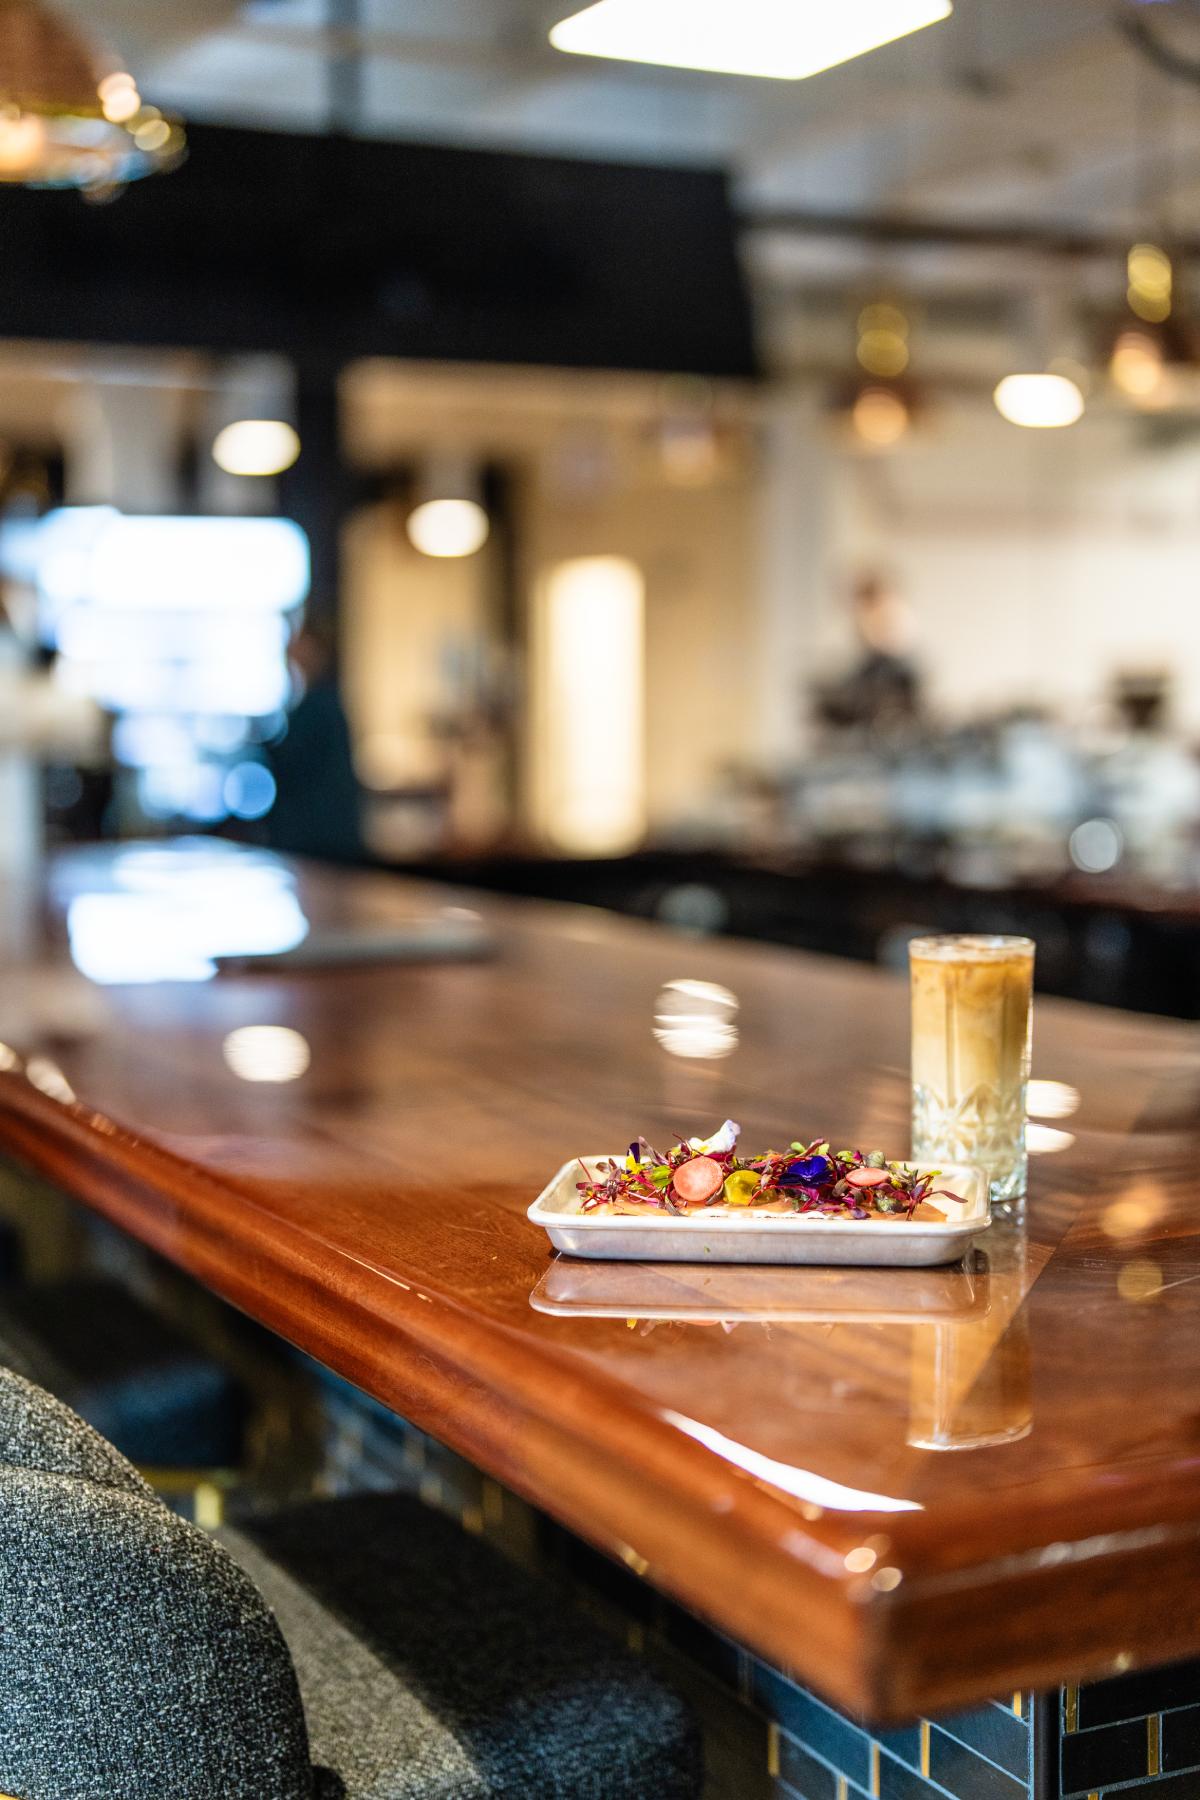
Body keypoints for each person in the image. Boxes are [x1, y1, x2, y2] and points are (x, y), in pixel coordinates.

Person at [264, 621, 365, 863]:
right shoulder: (320, 701)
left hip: (317, 835)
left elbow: (294, 762)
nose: (292, 650)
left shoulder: (320, 705)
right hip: (325, 833)